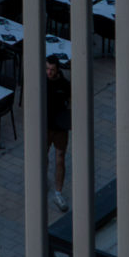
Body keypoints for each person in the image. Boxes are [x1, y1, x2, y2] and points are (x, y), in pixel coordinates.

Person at [46, 54, 72, 203]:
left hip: (60, 127)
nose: (49, 72)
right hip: (45, 126)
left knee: (60, 159)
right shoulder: (43, 81)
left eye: (52, 69)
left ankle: (58, 192)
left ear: (57, 70)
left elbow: (70, 101)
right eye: (47, 69)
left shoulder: (64, 84)